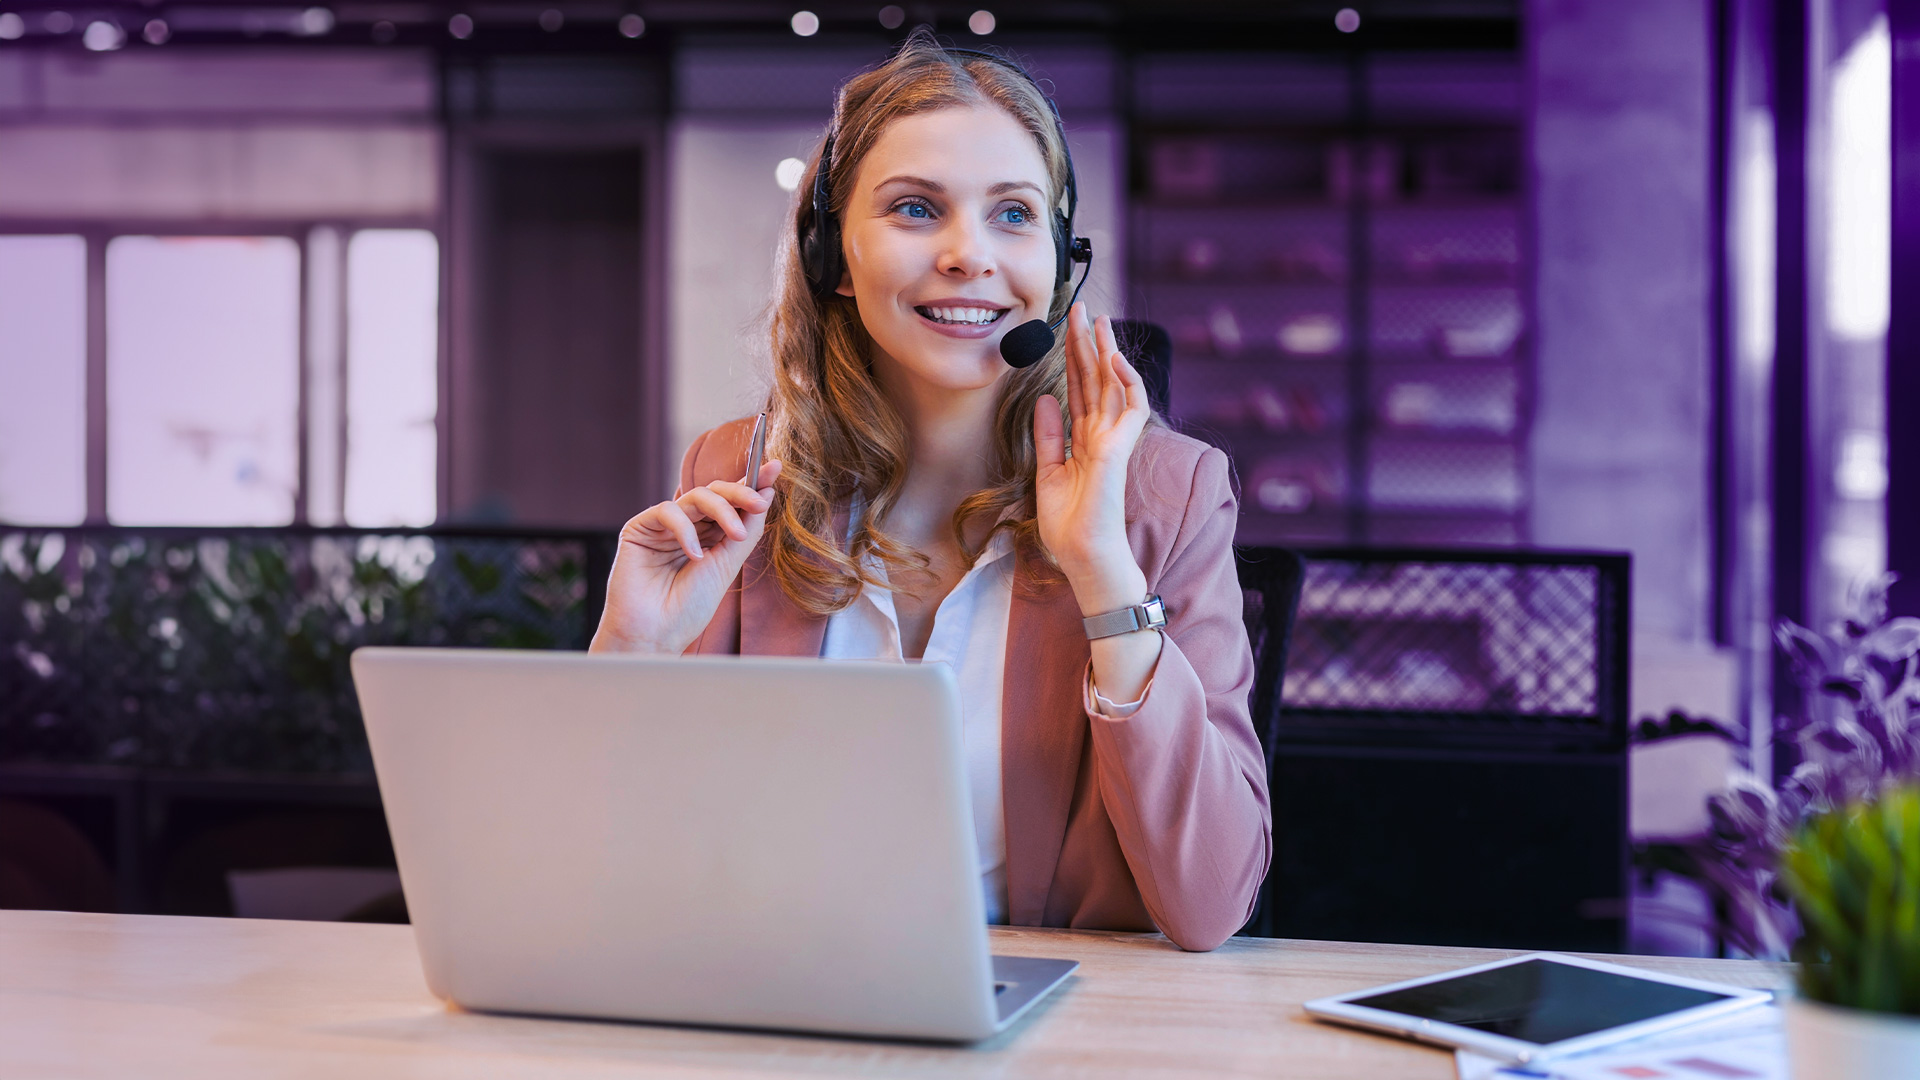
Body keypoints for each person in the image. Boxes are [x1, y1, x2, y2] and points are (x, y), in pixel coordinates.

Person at [590, 31, 1266, 952]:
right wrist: (632, 651)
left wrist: (1105, 575)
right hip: (790, 1007)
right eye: (915, 209)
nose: (968, 256)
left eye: (1015, 215)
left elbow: (1211, 904)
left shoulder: (1167, 495)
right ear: (832, 252)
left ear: (1063, 262)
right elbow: (628, 870)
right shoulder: (737, 475)